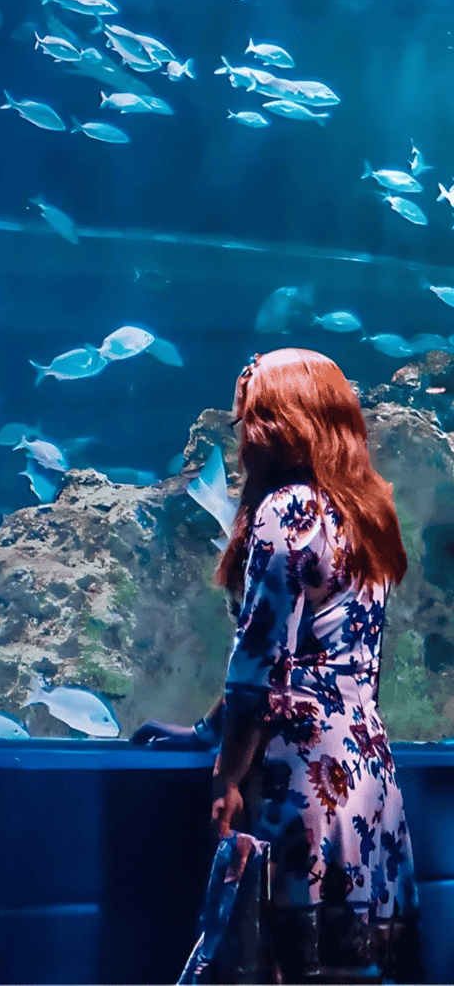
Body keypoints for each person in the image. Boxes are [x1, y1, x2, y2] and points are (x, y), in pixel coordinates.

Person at [132, 349, 422, 983]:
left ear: (278, 424)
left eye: (249, 421)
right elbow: (322, 655)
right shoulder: (363, 514)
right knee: (354, 967)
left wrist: (228, 772)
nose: (243, 442)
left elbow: (262, 660)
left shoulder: (287, 511)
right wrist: (207, 726)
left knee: (280, 960)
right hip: (368, 771)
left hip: (303, 778)